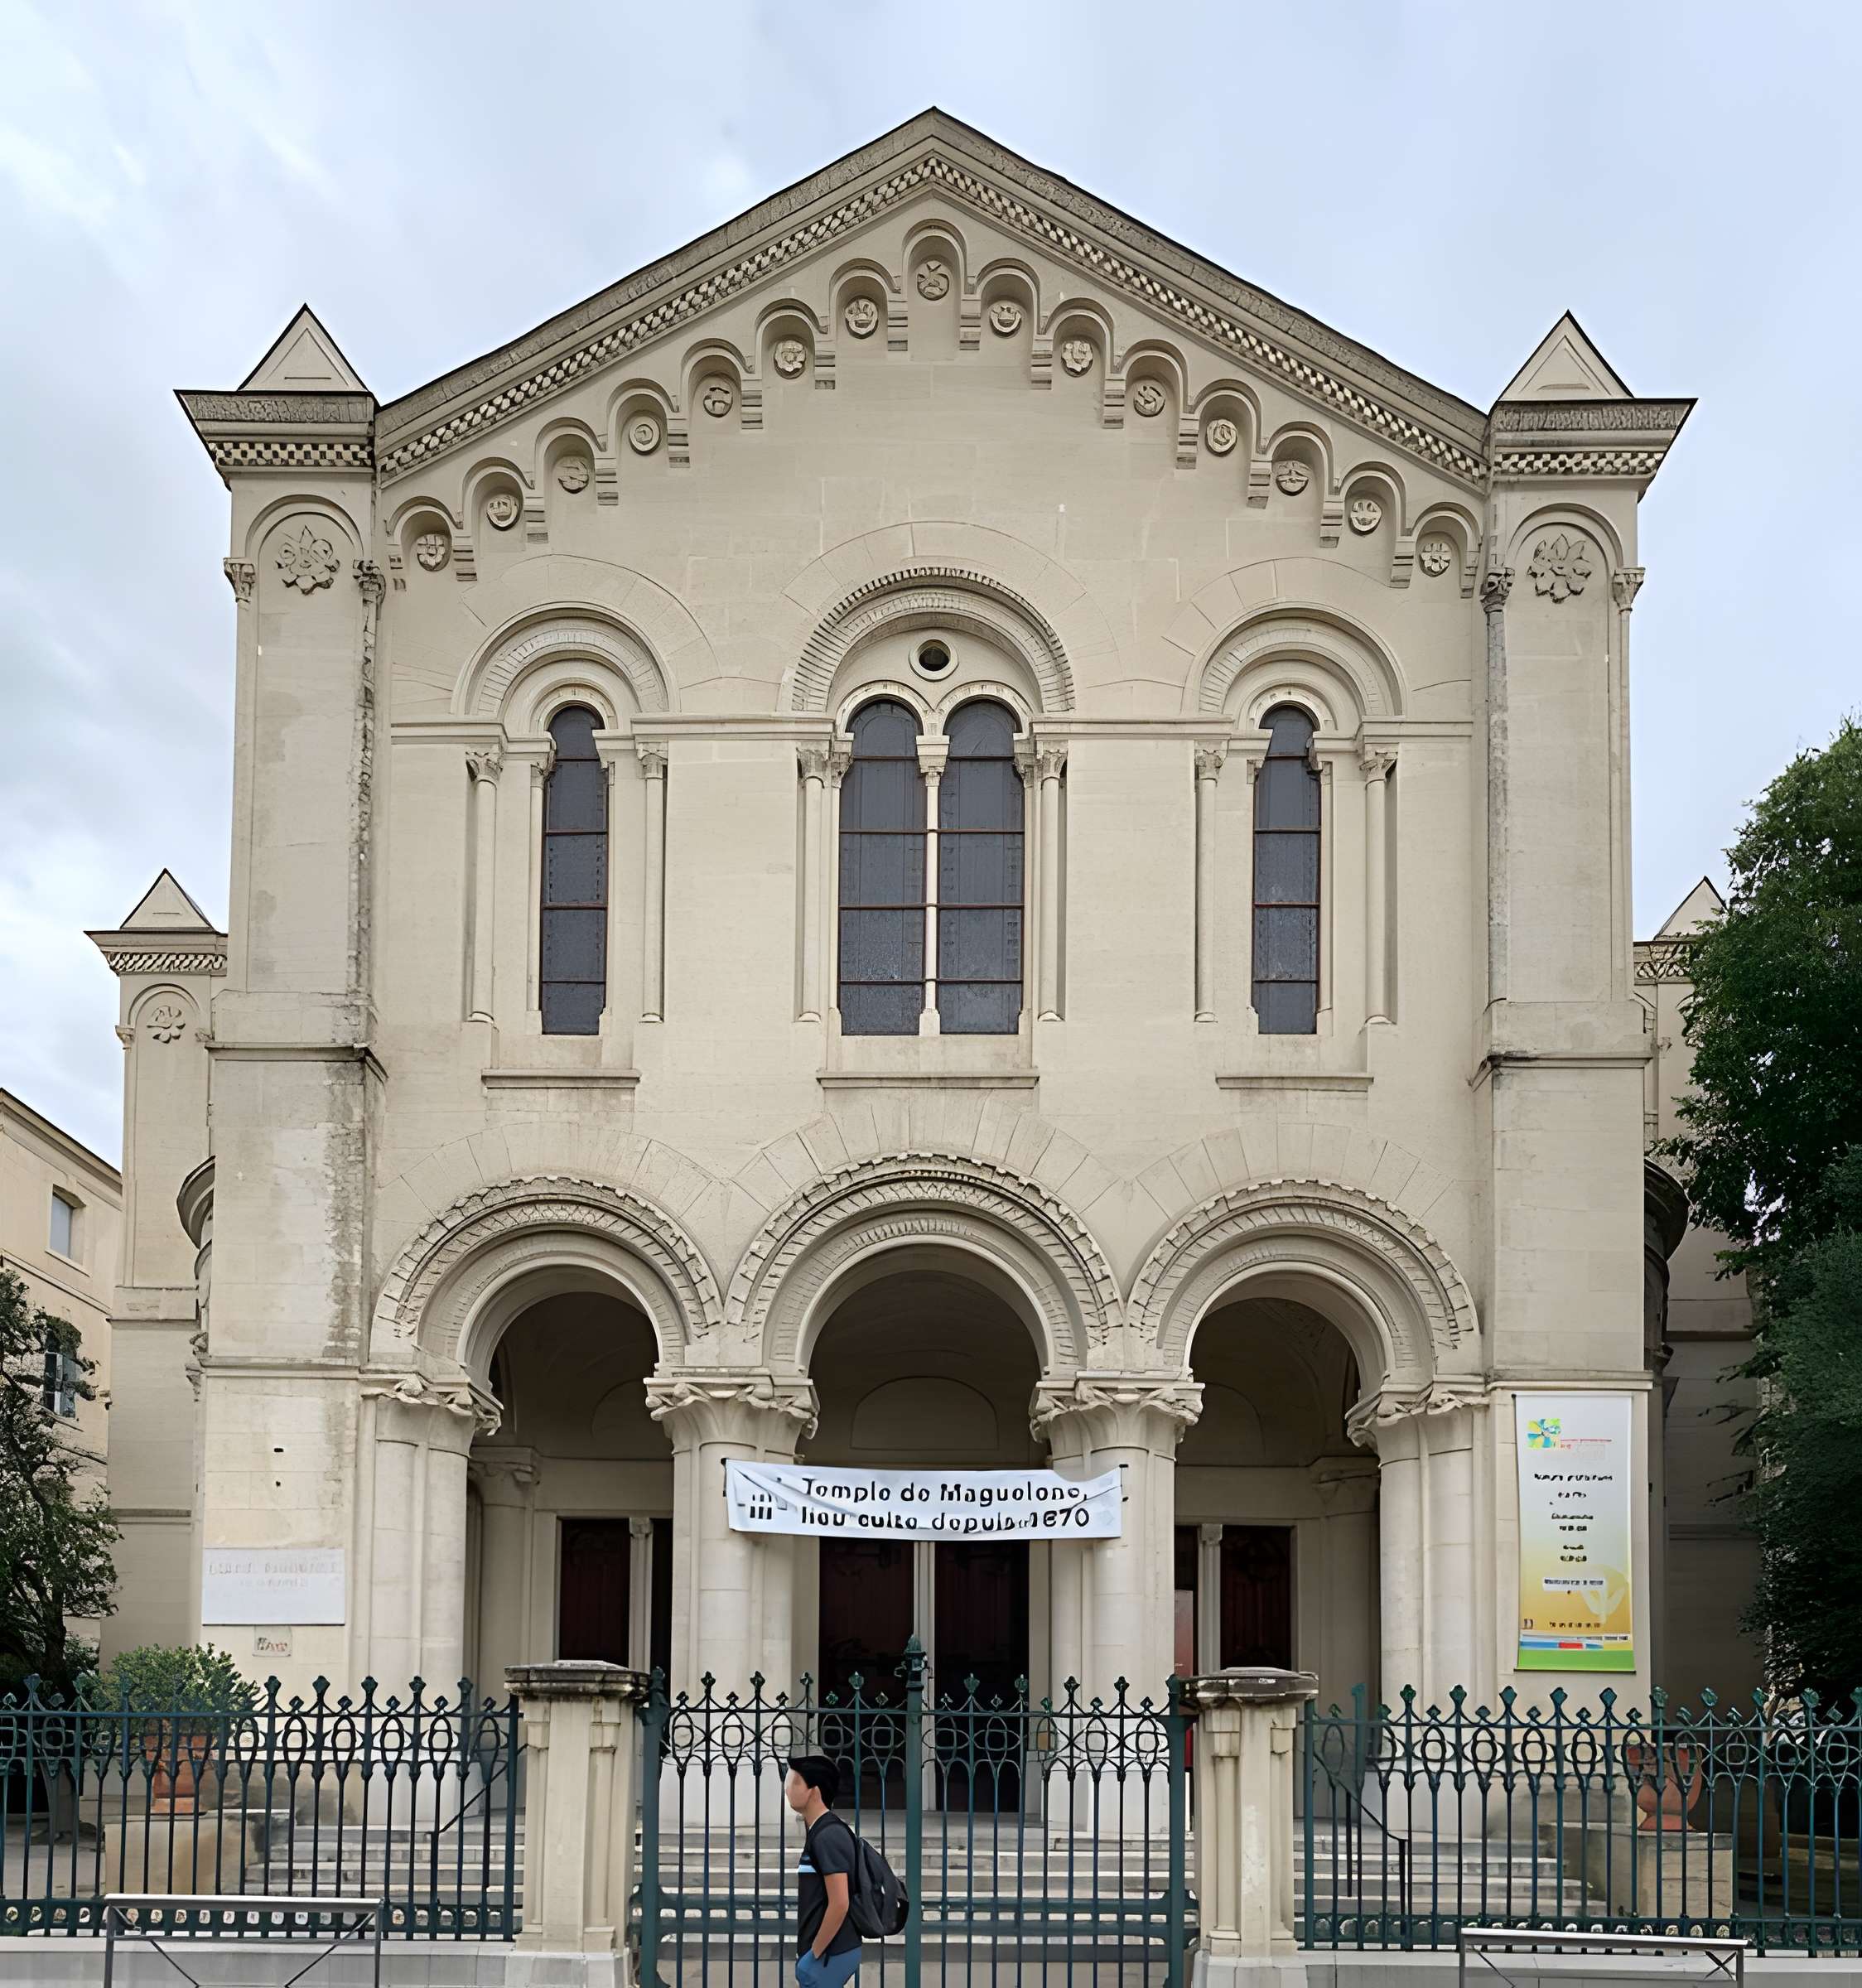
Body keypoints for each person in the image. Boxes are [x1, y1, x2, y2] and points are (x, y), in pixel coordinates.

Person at [785, 1754, 861, 1988]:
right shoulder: (821, 1830)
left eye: (796, 1783)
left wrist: (813, 1955)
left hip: (830, 1954)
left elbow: (840, 1903)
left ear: (814, 1791)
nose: (788, 1789)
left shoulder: (828, 1835)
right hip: (826, 1953)